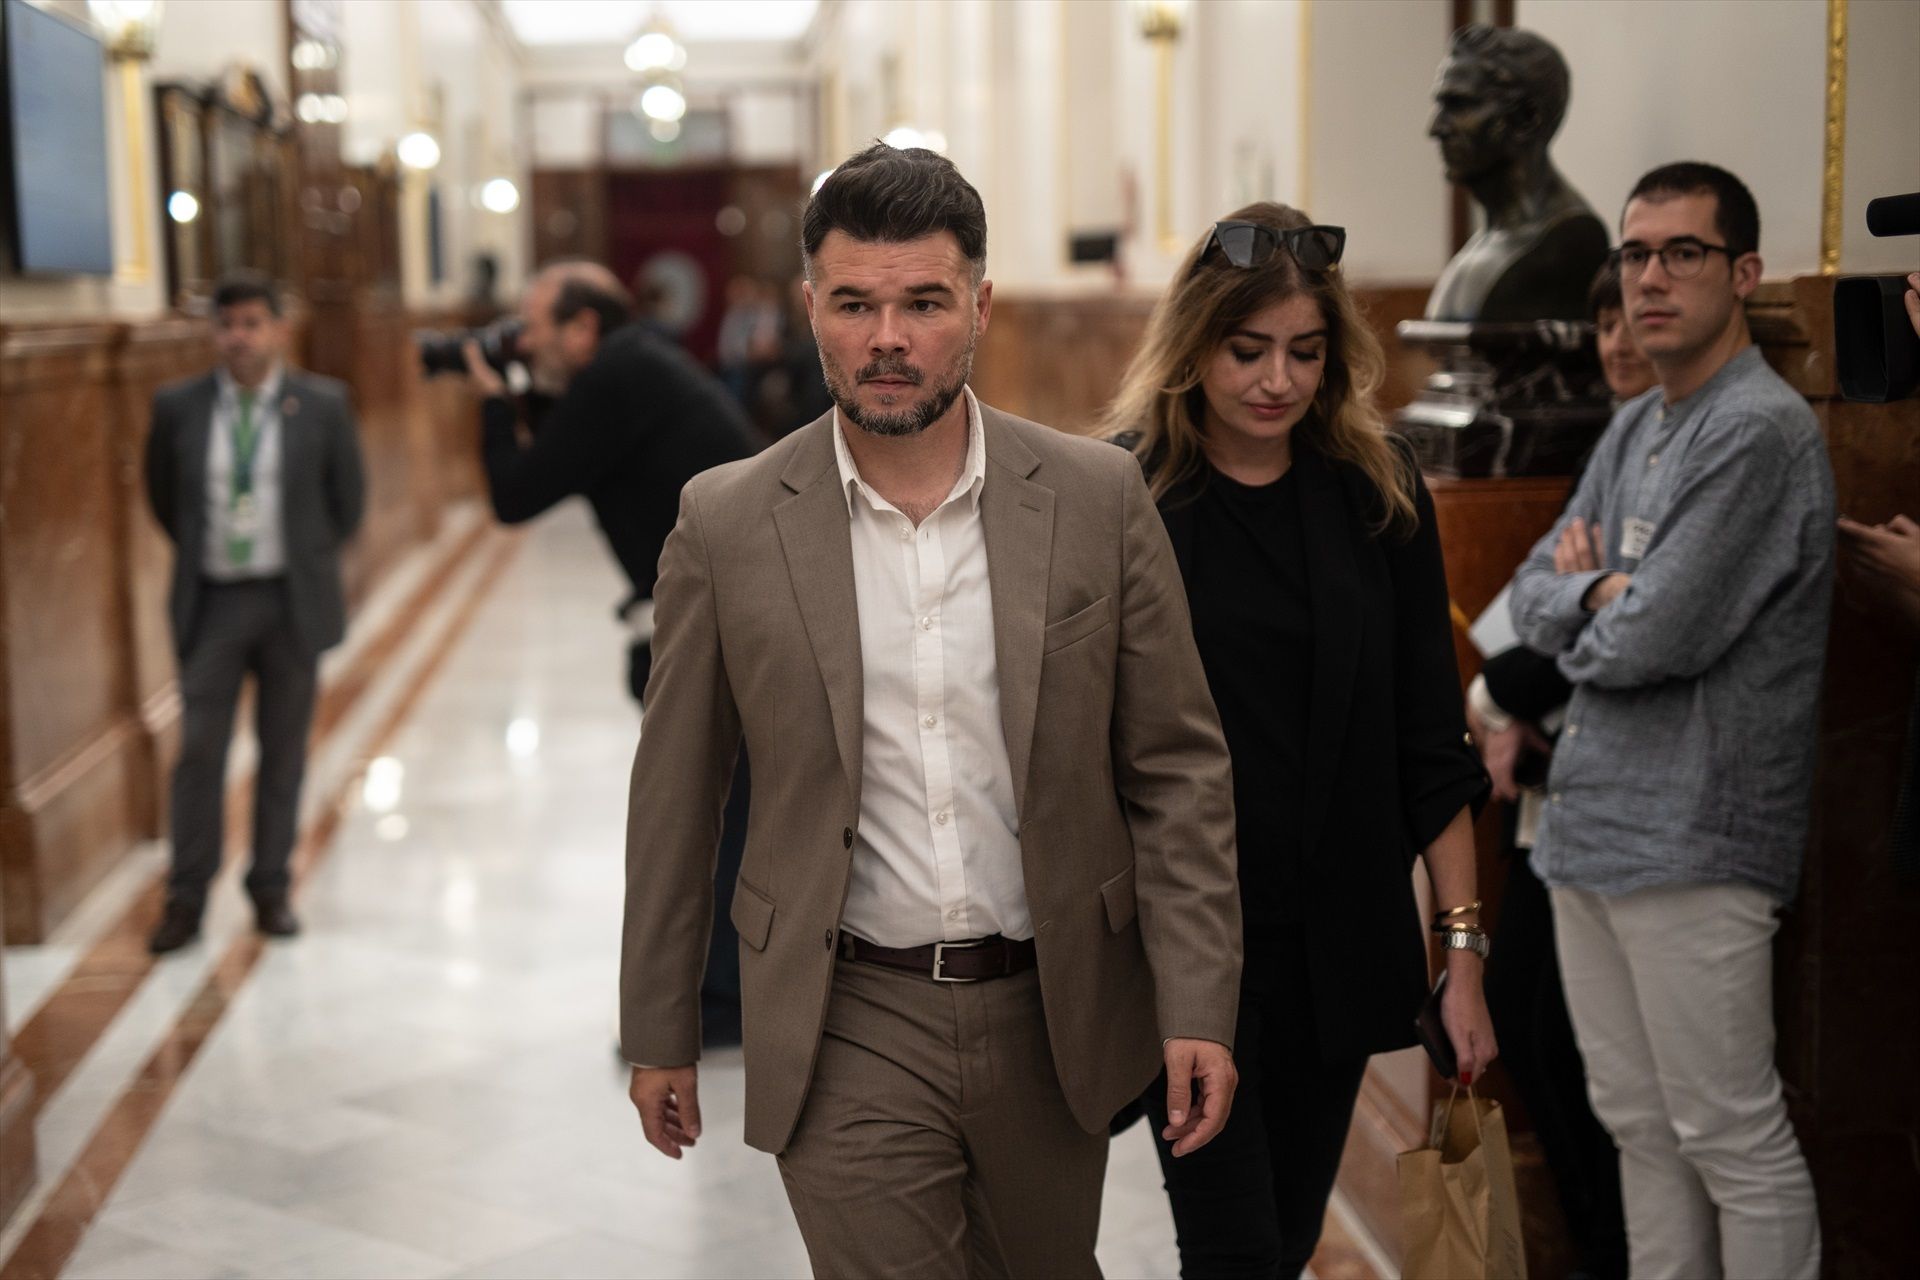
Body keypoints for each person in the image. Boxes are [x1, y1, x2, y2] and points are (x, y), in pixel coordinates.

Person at [620, 143, 1243, 1279]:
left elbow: (1176, 767)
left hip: (1050, 1005)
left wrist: (1197, 996)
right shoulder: (728, 522)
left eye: (922, 303)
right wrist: (660, 1020)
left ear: (981, 307)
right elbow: (676, 790)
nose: (887, 339)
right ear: (813, 307)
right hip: (845, 1002)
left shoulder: (1095, 498)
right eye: (854, 303)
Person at [1097, 203, 1494, 1279]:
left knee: (1284, 1242)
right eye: (1248, 349)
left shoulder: (1379, 491)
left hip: (1335, 945)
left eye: (1306, 353)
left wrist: (1462, 954)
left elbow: (1431, 733)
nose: (1277, 378)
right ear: (1194, 345)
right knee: (1232, 1254)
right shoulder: (1123, 493)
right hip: (1185, 954)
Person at [1510, 162, 1831, 1279]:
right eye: (1636, 253)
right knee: (1637, 1125)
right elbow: (1528, 595)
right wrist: (1594, 595)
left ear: (1743, 272)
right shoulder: (1638, 421)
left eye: (1682, 253)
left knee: (1731, 1133)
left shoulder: (1759, 431)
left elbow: (1657, 639)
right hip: (1590, 827)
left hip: (1696, 836)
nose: (1650, 276)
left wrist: (1593, 604)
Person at [460, 260, 759, 1045]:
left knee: (714, 806)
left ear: (583, 329)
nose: (524, 341)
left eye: (535, 326)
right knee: (714, 804)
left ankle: (725, 1001)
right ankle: (719, 991)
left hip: (730, 620)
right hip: (729, 608)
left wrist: (493, 402)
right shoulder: (636, 365)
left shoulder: (614, 380)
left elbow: (516, 492)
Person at [1470, 258, 1652, 1280]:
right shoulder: (1616, 443)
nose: (1619, 340)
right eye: (1603, 322)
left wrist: (1503, 692)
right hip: (1551, 785)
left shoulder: (1685, 442)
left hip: (1603, 788)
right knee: (1537, 1034)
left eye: (1632, 320)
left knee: (1584, 1054)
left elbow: (1627, 629)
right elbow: (1531, 603)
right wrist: (1578, 594)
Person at [143, 272, 366, 954]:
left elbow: (347, 501)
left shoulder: (322, 404)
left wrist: (301, 555)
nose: (238, 338)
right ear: (214, 333)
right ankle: (186, 896)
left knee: (283, 750)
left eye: (251, 325)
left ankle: (270, 886)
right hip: (213, 599)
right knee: (200, 750)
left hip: (290, 600)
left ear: (278, 330)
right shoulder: (179, 405)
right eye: (227, 326)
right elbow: (164, 496)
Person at [1423, 23, 1610, 323]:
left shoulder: (1569, 244)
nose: (1435, 129)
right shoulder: (1489, 241)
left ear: (1526, 118)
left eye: (1459, 105)